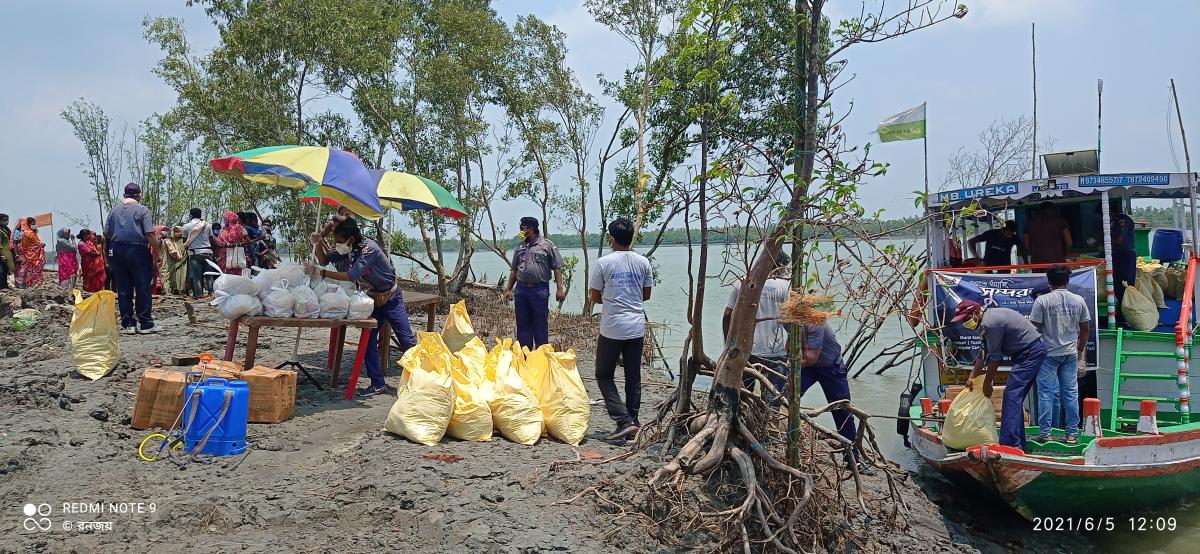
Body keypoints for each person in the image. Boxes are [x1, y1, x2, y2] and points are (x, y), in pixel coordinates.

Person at [307, 218, 417, 398]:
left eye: (340, 241)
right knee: (368, 341)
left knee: (407, 341)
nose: (338, 245)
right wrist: (318, 242)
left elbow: (351, 275)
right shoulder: (350, 249)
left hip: (392, 297)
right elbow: (324, 259)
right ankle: (377, 383)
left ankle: (422, 378)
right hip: (375, 298)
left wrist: (320, 272)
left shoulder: (368, 248)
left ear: (350, 238)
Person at [589, 218, 654, 440]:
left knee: (603, 374)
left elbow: (594, 296)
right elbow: (646, 294)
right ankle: (633, 421)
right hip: (636, 326)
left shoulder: (603, 263)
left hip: (612, 327)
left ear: (612, 239)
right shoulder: (643, 262)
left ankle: (624, 420)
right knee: (633, 376)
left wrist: (611, 295)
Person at [955, 300, 1046, 451]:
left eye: (966, 319)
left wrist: (987, 383)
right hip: (1026, 353)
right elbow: (982, 354)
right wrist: (971, 377)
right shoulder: (985, 323)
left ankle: (1009, 444)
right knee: (1015, 398)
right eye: (963, 321)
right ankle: (1018, 443)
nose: (965, 323)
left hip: (1031, 353)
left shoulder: (991, 324)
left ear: (976, 313)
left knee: (1011, 396)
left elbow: (995, 358)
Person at [1029, 265, 1091, 444]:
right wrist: (1080, 352)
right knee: (1070, 394)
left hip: (1047, 354)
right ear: (1068, 281)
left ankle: (1046, 433)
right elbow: (1085, 329)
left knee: (1046, 394)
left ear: (1049, 282)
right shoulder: (1078, 300)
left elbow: (1034, 329)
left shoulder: (1042, 301)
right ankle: (1072, 434)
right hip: (1070, 353)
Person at [723, 250, 791, 405]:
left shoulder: (742, 282)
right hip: (776, 352)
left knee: (744, 395)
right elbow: (790, 320)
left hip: (745, 351)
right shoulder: (785, 286)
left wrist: (729, 344)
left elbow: (728, 315)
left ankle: (745, 423)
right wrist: (793, 342)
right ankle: (768, 427)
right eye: (783, 267)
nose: (783, 271)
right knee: (772, 400)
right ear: (777, 265)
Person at [502, 217, 566, 349]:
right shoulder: (519, 247)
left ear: (531, 229)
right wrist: (508, 289)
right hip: (521, 290)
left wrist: (560, 289)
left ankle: (541, 354)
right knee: (523, 324)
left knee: (540, 324)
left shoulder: (546, 245)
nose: (520, 232)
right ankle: (525, 355)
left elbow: (557, 267)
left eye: (522, 229)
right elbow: (514, 270)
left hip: (539, 290)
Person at [103, 182, 159, 334]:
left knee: (123, 288)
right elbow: (149, 234)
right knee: (142, 286)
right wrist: (157, 251)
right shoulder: (142, 210)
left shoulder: (114, 210)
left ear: (124, 195)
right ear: (139, 195)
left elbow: (106, 233)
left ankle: (128, 323)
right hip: (138, 249)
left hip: (118, 250)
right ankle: (145, 323)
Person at [182, 208, 214, 298]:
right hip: (207, 251)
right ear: (201, 215)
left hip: (194, 253)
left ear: (190, 215)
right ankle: (211, 292)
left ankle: (199, 294)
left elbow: (185, 242)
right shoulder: (207, 225)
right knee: (209, 274)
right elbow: (211, 239)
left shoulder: (186, 226)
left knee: (197, 275)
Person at [1110, 203, 1138, 305]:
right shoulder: (1116, 221)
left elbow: (1119, 239)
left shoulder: (1121, 221)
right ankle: (1122, 310)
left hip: (1124, 256)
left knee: (1125, 284)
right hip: (1120, 255)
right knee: (1118, 283)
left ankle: (1127, 308)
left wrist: (1103, 243)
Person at [14, 217, 46, 288]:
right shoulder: (29, 233)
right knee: (32, 269)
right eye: (33, 224)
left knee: (27, 270)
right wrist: (40, 246)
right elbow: (35, 244)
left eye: (35, 224)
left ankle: (28, 284)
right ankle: (34, 284)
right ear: (27, 224)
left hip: (27, 255)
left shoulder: (25, 233)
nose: (34, 225)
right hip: (32, 255)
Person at [217, 211, 250, 276]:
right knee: (225, 274)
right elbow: (219, 241)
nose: (224, 220)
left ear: (230, 218)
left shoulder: (240, 228)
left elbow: (248, 240)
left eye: (225, 218)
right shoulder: (223, 229)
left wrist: (237, 245)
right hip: (224, 256)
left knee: (235, 274)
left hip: (236, 254)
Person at [161, 226, 188, 295]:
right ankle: (174, 289)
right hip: (174, 262)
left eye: (178, 231)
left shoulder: (184, 240)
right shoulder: (171, 241)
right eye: (175, 231)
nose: (176, 233)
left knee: (182, 275)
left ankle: (182, 290)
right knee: (174, 276)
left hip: (183, 261)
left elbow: (185, 250)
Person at [0, 214, 12, 289]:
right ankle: (2, 288)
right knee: (1, 271)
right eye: (4, 220)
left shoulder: (6, 229)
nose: (6, 222)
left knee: (5, 270)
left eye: (7, 220)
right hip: (2, 254)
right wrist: (2, 255)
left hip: (7, 254)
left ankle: (5, 286)